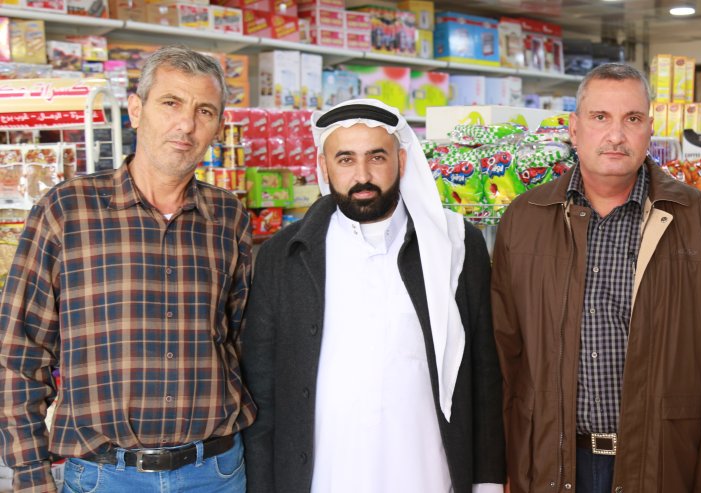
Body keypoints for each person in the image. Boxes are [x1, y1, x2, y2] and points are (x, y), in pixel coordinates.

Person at [491, 63, 701, 493]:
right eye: (600, 117)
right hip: (552, 465)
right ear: (574, 129)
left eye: (631, 119)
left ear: (649, 129)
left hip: (663, 465)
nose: (616, 135)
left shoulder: (699, 221)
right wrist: (499, 471)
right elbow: (504, 358)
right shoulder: (524, 220)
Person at [0, 45, 254, 493]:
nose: (186, 124)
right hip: (104, 475)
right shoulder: (67, 210)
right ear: (136, 110)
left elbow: (241, 341)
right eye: (171, 103)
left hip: (215, 471)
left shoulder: (228, 217)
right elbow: (19, 353)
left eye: (205, 111)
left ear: (218, 126)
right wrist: (30, 474)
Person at [240, 98, 505, 493]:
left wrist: (488, 482)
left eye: (376, 157)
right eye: (345, 159)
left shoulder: (455, 243)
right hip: (325, 477)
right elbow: (262, 389)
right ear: (324, 167)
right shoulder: (284, 254)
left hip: (426, 474)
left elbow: (484, 375)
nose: (362, 175)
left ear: (401, 160)